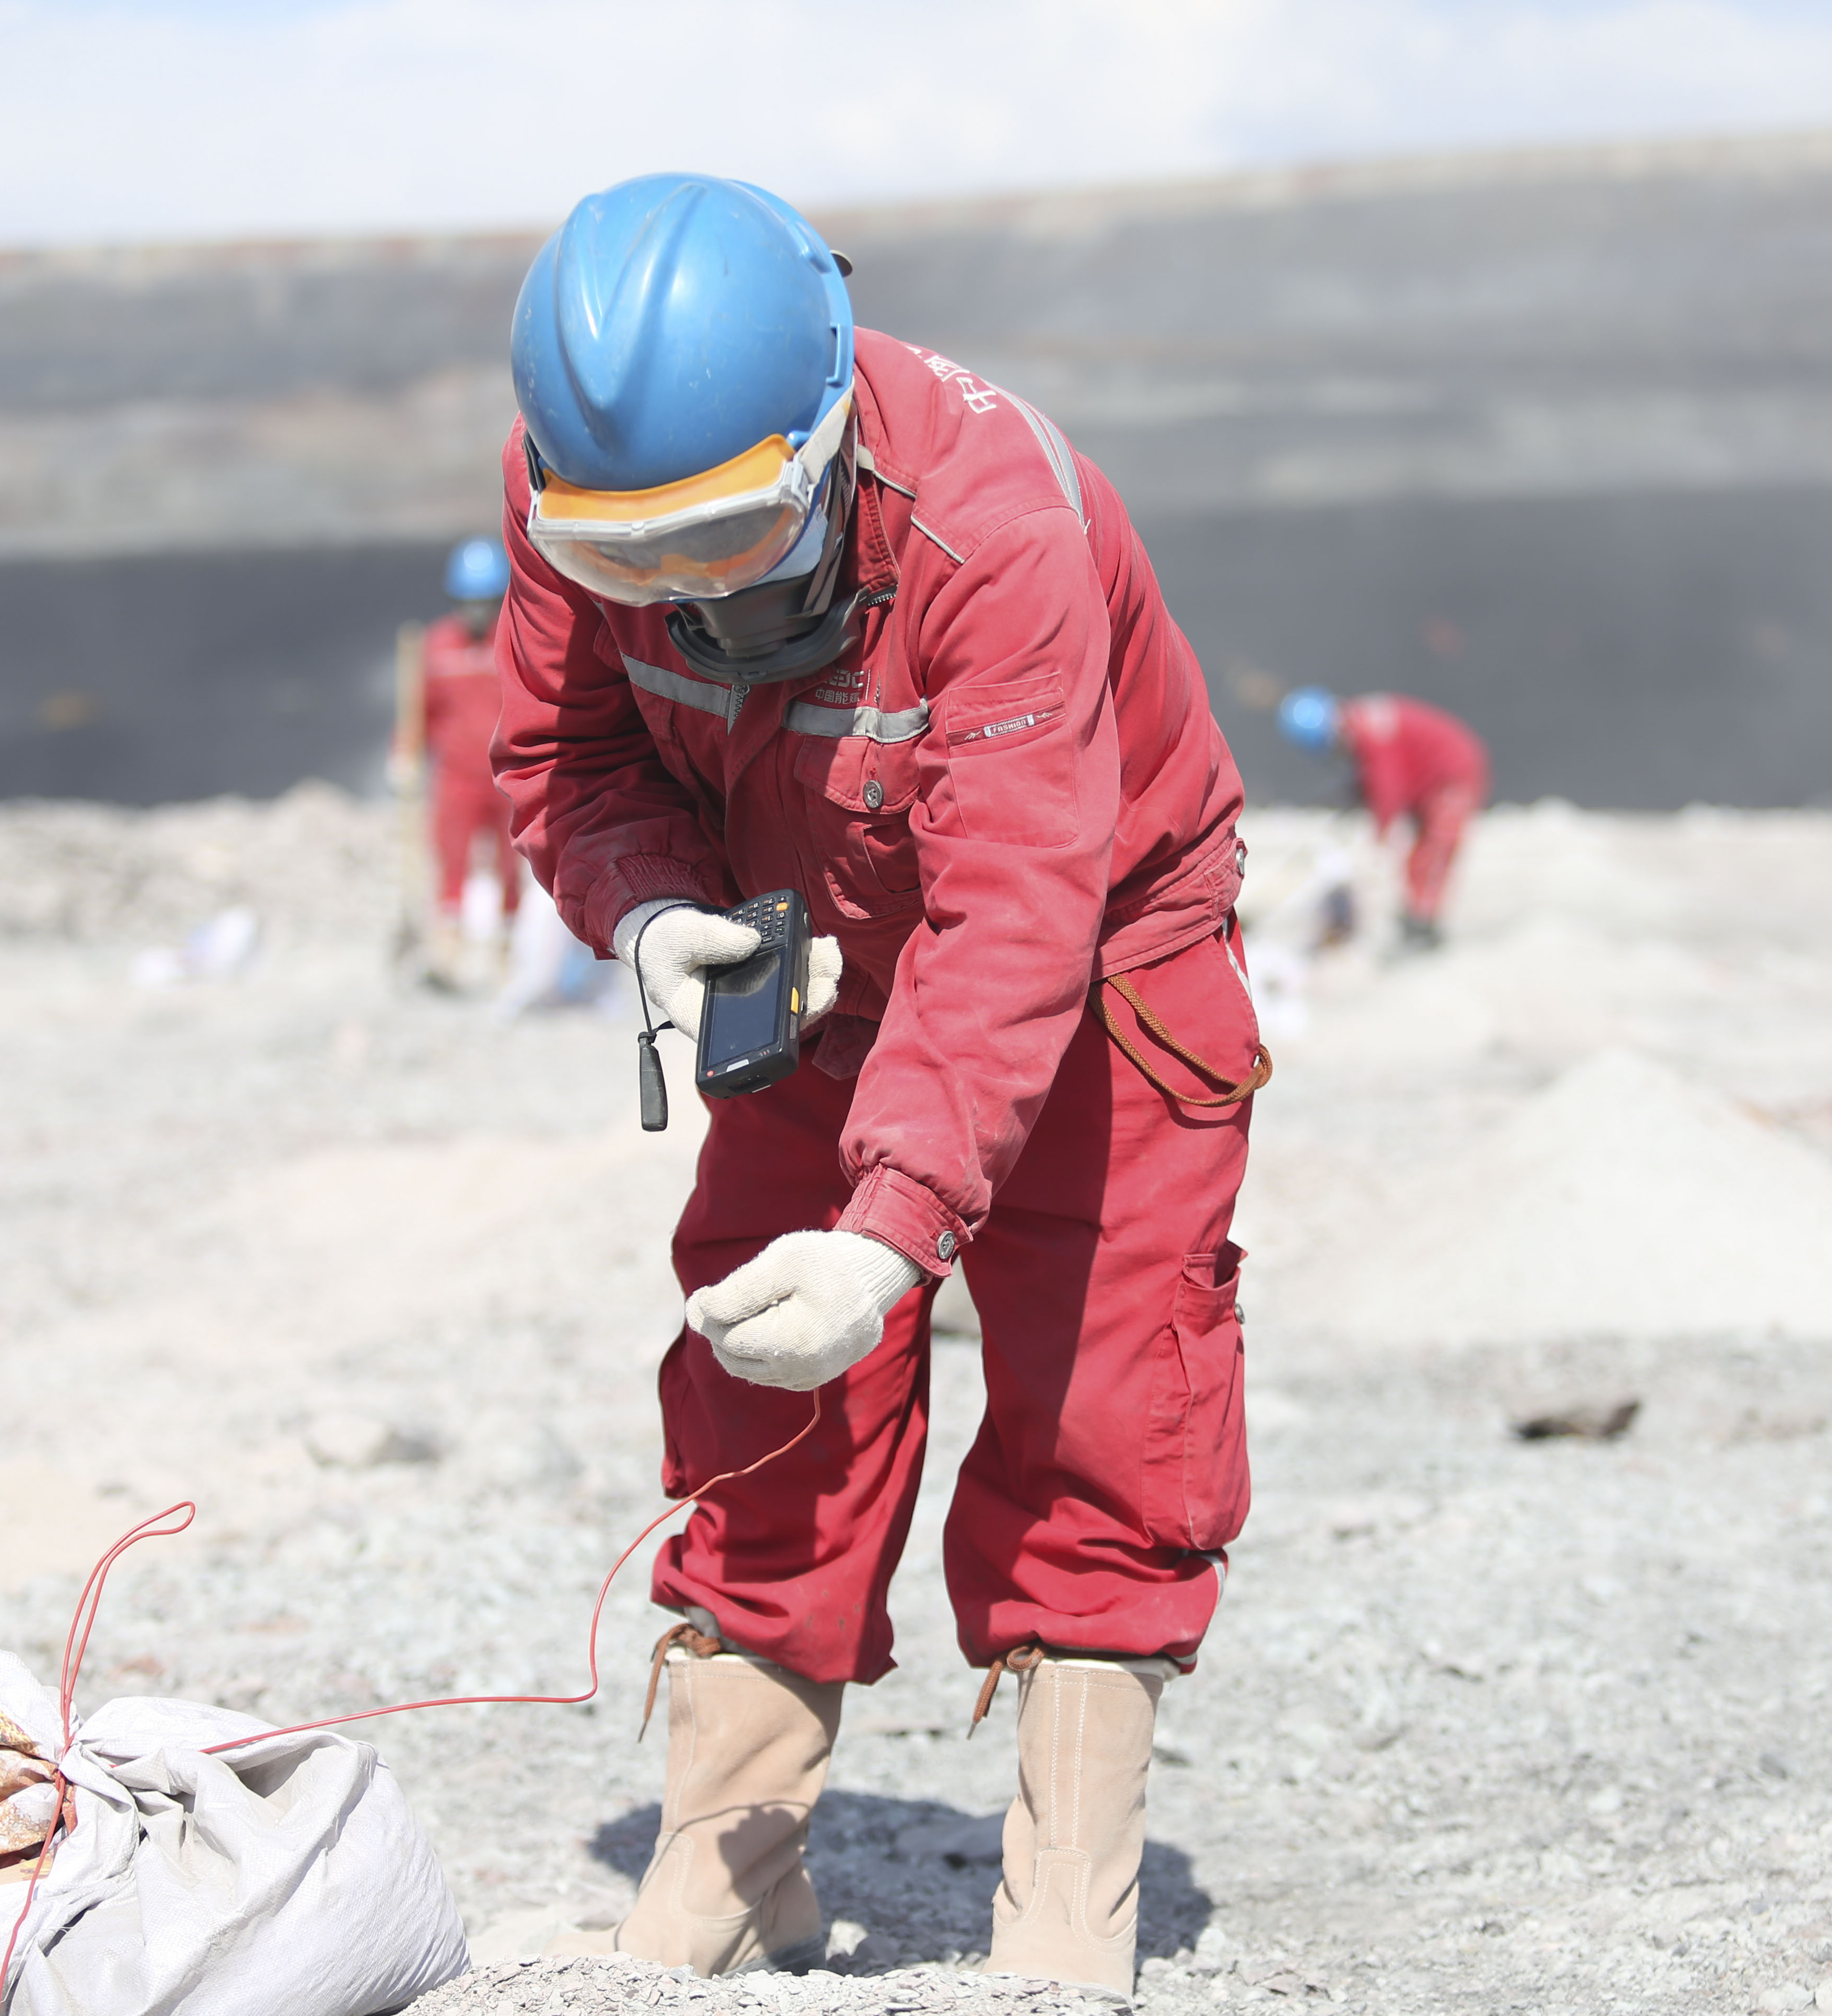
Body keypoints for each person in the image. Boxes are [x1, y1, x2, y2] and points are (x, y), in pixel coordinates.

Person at [490, 175, 1262, 1999]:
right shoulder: (576, 489)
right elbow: (566, 750)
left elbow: (1015, 915)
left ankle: (1067, 1905)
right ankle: (733, 1861)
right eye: (633, 562)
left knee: (1104, 1388)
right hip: (802, 942)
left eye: (727, 537)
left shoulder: (994, 525)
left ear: (825, 435)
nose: (687, 591)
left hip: (1100, 949)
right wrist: (648, 910)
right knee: (767, 1370)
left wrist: (898, 1229)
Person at [1276, 687, 1488, 948]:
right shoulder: (1364, 723)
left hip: (1451, 774)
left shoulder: (1372, 732)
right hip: (1432, 780)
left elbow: (1388, 783)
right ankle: (1416, 915)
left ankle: (1424, 921)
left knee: (1436, 847)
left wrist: (1383, 828)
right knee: (1420, 853)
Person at [396, 538, 522, 979]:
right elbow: (418, 709)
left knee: (511, 862)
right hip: (455, 777)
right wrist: (405, 754)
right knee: (451, 858)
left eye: (485, 602)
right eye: (469, 603)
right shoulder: (437, 645)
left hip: (508, 777)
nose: (477, 613)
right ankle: (448, 946)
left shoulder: (515, 642)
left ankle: (507, 947)